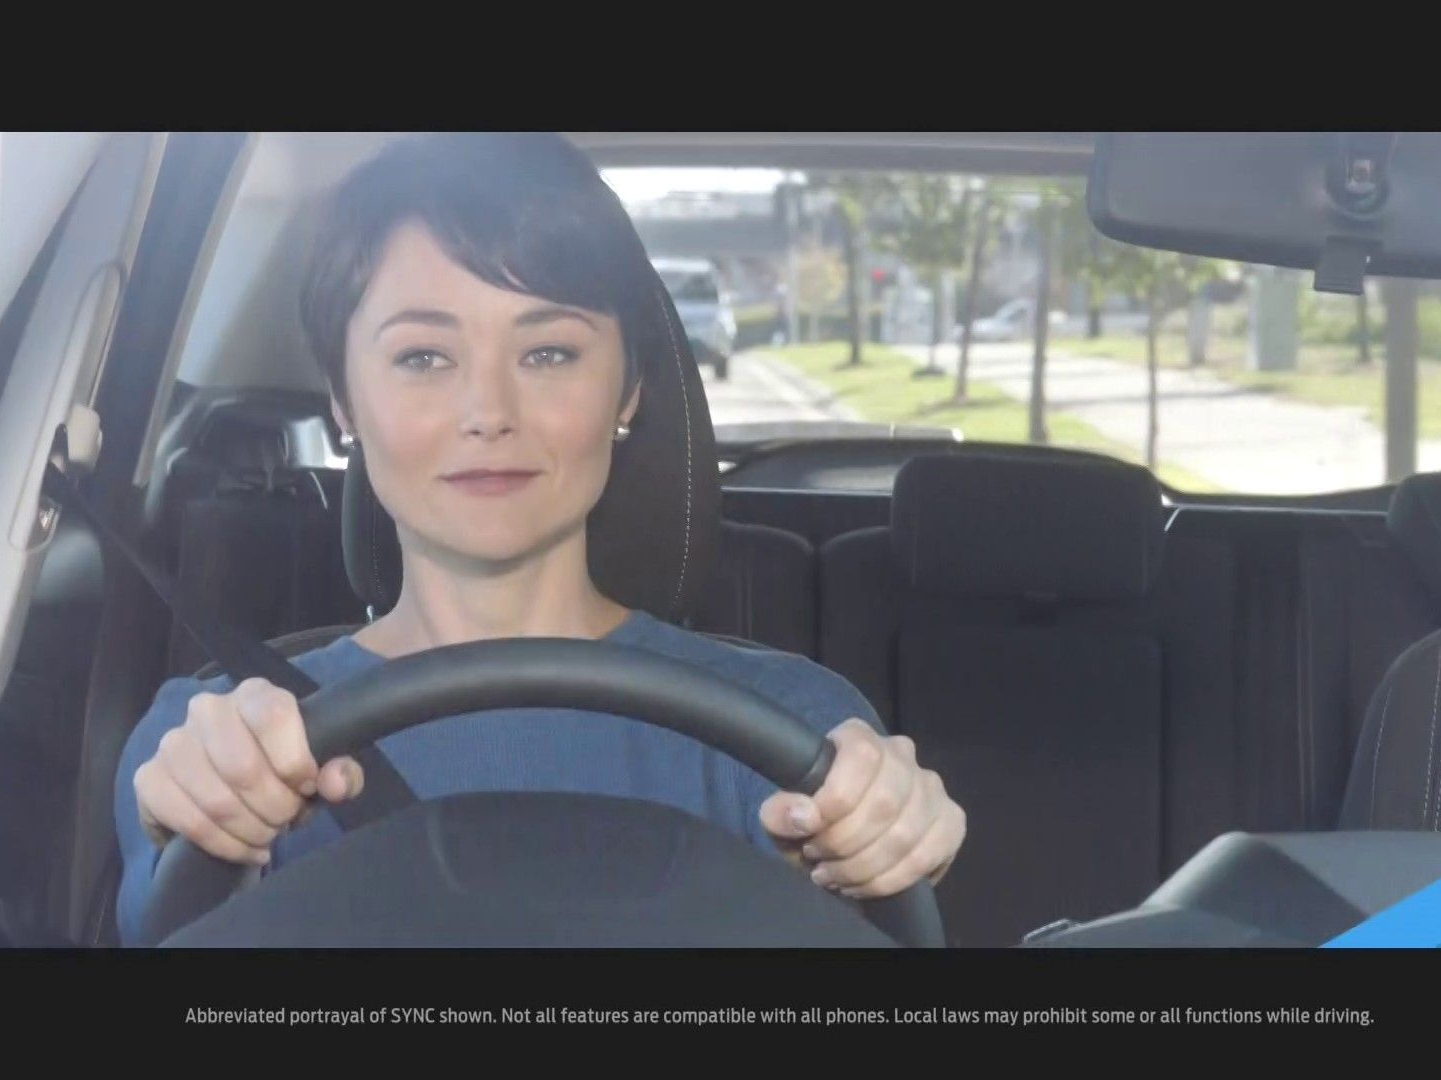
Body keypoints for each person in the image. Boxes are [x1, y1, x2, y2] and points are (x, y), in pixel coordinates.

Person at [112, 133, 967, 945]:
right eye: (422, 357)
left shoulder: (799, 731)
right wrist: (211, 832)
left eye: (550, 353)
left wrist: (879, 838)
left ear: (628, 391)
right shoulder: (222, 740)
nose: (490, 413)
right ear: (343, 402)